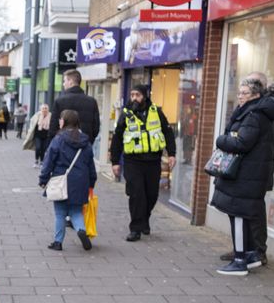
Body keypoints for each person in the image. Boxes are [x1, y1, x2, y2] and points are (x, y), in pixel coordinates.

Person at [210, 77, 274, 276]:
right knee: (243, 216)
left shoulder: (254, 115)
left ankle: (240, 261)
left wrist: (221, 139)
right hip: (248, 174)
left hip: (245, 176)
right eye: (239, 93)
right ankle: (249, 256)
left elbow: (242, 143)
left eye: (244, 93)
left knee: (239, 217)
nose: (240, 96)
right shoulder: (256, 113)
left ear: (256, 95)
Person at [109, 84, 176, 241]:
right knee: (137, 194)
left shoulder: (156, 112)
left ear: (145, 96)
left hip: (153, 161)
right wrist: (115, 162)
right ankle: (135, 229)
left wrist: (172, 154)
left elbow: (167, 132)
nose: (134, 98)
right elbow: (117, 138)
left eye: (137, 95)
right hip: (133, 162)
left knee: (152, 195)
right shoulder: (126, 114)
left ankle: (144, 219)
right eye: (132, 95)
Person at [39, 109, 97, 251]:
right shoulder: (85, 141)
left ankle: (58, 242)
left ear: (64, 122)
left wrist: (43, 178)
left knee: (60, 213)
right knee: (76, 212)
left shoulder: (58, 139)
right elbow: (91, 165)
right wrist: (91, 183)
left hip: (61, 181)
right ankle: (81, 230)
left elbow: (49, 160)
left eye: (60, 119)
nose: (59, 121)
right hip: (80, 182)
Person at [50, 69, 100, 144]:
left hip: (64, 146)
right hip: (84, 145)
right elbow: (96, 128)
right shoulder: (92, 102)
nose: (63, 84)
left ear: (70, 82)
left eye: (64, 81)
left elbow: (53, 128)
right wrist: (89, 140)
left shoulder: (59, 101)